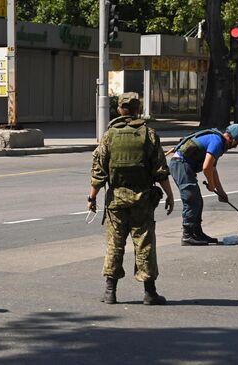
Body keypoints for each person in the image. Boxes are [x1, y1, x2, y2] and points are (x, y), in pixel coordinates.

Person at [88, 93, 175, 305]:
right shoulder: (149, 134)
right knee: (144, 243)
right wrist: (170, 196)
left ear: (119, 110)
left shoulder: (108, 136)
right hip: (142, 199)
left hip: (116, 199)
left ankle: (110, 291)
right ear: (138, 109)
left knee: (115, 243)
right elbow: (160, 170)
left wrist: (92, 198)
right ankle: (149, 292)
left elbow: (98, 170)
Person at [167, 124, 238, 246]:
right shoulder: (217, 142)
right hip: (180, 164)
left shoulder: (218, 142)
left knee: (198, 200)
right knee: (191, 198)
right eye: (237, 143)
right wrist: (211, 185)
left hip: (184, 165)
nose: (235, 147)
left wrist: (221, 192)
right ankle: (187, 235)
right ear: (232, 138)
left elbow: (213, 169)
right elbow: (206, 167)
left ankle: (197, 233)